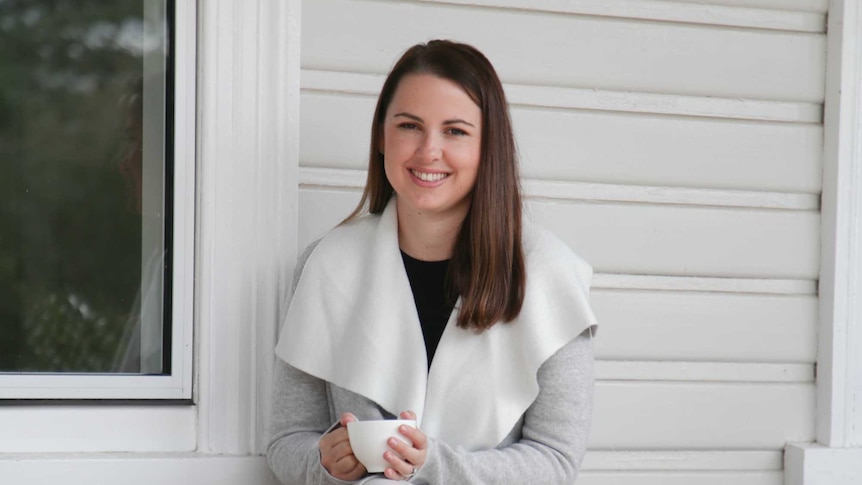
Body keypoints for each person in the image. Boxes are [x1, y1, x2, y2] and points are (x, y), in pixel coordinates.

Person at [267, 40, 597, 484]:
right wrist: (324, 464)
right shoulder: (325, 265)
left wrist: (434, 466)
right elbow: (287, 440)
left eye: (455, 131)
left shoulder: (549, 276)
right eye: (409, 126)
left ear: (488, 147)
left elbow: (556, 462)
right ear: (382, 138)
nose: (428, 151)